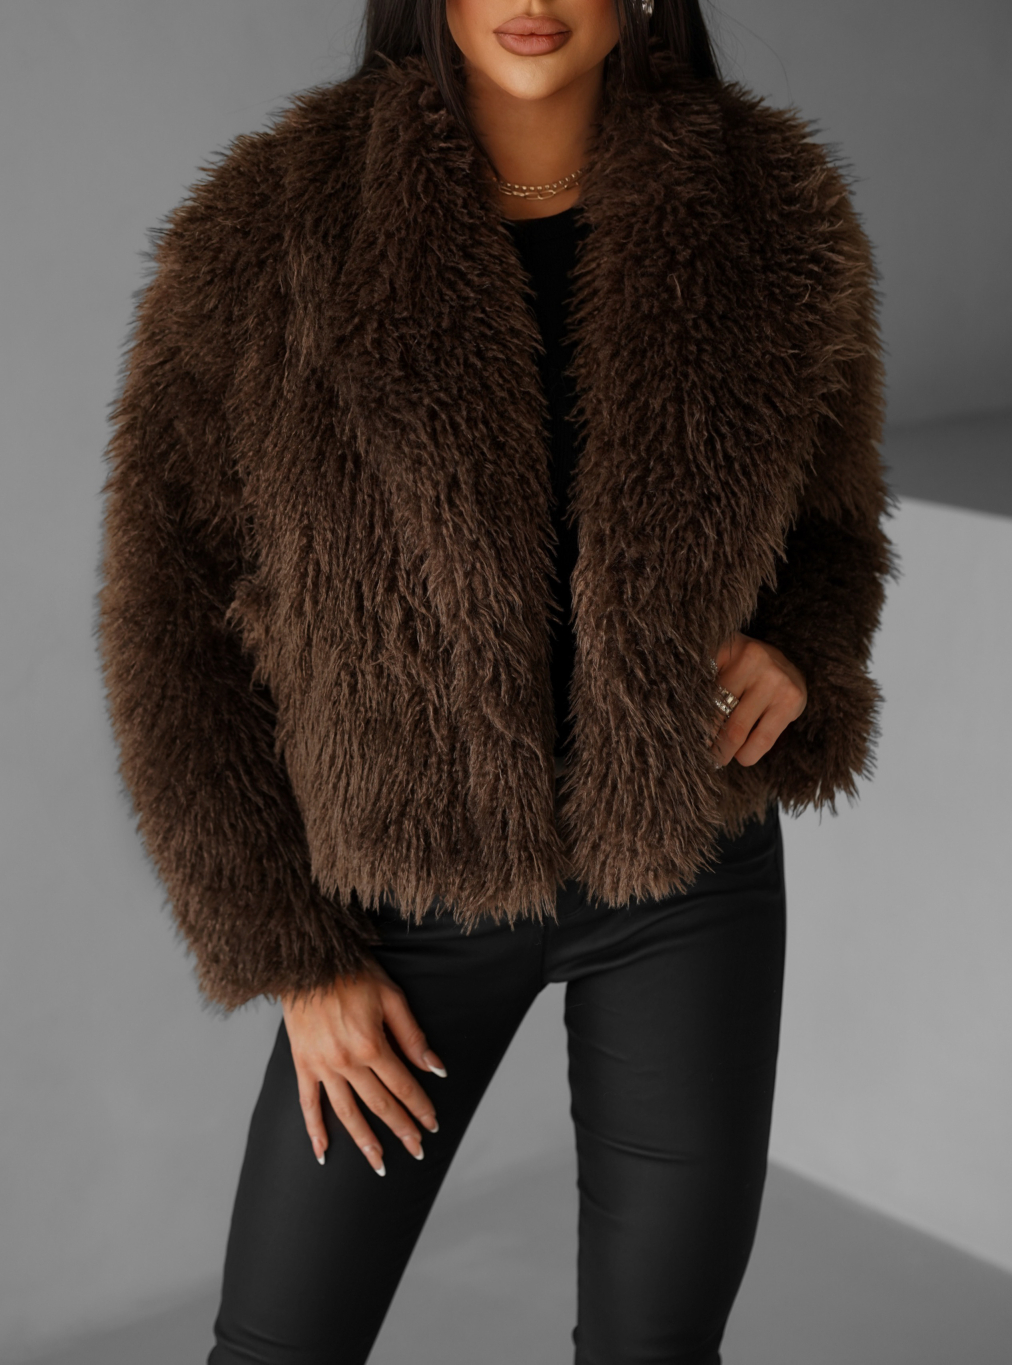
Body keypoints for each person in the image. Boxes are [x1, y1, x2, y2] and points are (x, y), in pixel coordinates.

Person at [97, 0, 892, 1359]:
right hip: (401, 896)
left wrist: (803, 654)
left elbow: (835, 521)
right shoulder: (276, 221)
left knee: (659, 1347)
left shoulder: (771, 207)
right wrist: (291, 955)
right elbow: (167, 618)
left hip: (686, 873)